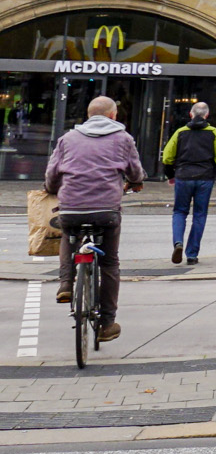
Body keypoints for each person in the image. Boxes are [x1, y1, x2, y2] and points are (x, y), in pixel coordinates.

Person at [44, 95, 144, 340]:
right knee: (110, 263)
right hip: (106, 211)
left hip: (70, 209)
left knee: (69, 235)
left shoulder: (67, 139)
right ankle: (107, 323)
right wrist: (136, 182)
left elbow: (52, 174)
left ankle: (66, 284)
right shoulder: (123, 139)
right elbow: (135, 171)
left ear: (88, 115)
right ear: (113, 116)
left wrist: (51, 188)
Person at [161, 101, 216, 265]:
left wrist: (171, 175)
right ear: (207, 115)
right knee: (200, 214)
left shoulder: (180, 132)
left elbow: (167, 157)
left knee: (179, 212)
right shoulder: (213, 133)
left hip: (183, 177)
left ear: (190, 114)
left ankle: (178, 242)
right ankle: (192, 254)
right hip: (205, 178)